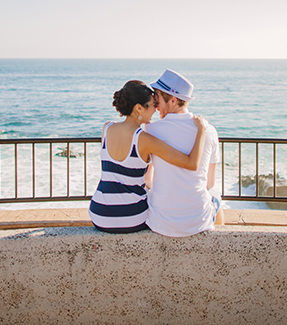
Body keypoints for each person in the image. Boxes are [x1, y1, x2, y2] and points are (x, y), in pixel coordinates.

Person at [88, 80, 208, 233]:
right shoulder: (144, 139)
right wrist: (201, 130)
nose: (155, 109)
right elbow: (191, 163)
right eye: (152, 105)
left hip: (99, 214)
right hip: (131, 217)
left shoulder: (107, 128)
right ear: (139, 108)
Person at [145, 69, 222, 237]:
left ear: (172, 100)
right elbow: (209, 183)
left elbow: (147, 180)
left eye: (157, 96)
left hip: (161, 222)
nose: (154, 103)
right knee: (215, 194)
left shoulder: (151, 130)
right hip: (197, 221)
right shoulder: (209, 130)